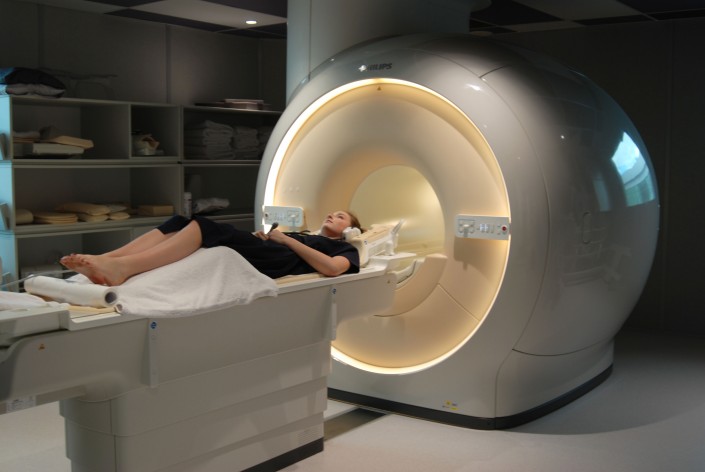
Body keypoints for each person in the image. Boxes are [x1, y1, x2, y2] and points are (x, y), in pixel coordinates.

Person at [60, 210, 362, 286]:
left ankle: (123, 268)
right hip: (272, 247)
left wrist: (287, 240)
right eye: (332, 212)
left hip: (281, 259)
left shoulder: (347, 248)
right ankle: (106, 258)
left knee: (205, 226)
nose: (332, 216)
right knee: (180, 221)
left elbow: (332, 269)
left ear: (352, 230)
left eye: (341, 217)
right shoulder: (307, 234)